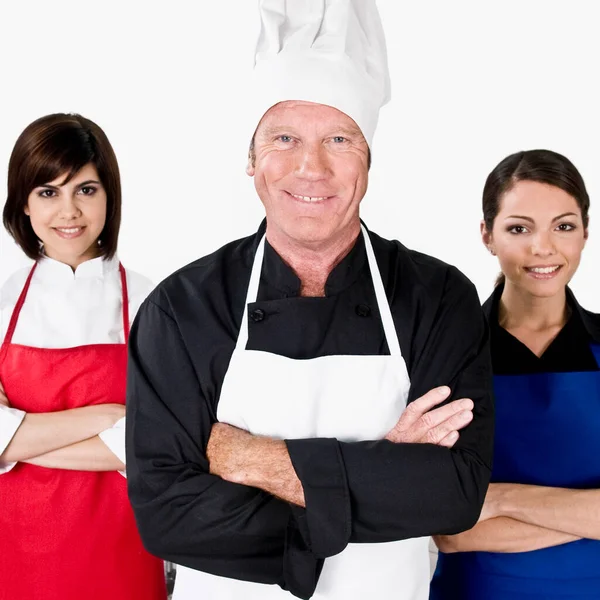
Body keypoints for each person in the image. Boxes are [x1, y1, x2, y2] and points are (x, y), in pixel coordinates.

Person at [125, 1, 494, 599]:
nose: (311, 167)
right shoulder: (181, 308)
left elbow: (455, 491)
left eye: (339, 139)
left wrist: (251, 459)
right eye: (284, 137)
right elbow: (165, 512)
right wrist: (383, 467)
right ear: (250, 160)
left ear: (368, 159)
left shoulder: (437, 298)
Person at [0, 113, 167, 600]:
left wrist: (16, 445)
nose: (69, 211)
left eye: (86, 190)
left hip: (122, 552)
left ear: (109, 196)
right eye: (48, 192)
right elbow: (128, 434)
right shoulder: (2, 304)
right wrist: (109, 416)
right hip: (15, 556)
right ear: (24, 206)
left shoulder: (154, 305)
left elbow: (156, 445)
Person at [430, 149, 600, 599]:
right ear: (487, 235)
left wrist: (501, 500)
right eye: (519, 228)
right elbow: (451, 532)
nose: (542, 248)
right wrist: (586, 515)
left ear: (585, 232)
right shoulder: (447, 356)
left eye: (563, 226)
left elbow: (473, 516)